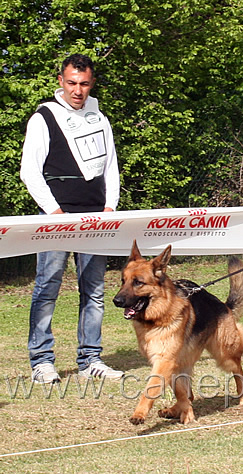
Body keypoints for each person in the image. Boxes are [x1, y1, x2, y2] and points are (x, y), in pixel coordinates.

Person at [20, 54, 124, 383]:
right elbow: (29, 172)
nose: (77, 90)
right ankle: (42, 360)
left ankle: (90, 359)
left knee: (93, 289)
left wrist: (110, 208)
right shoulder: (43, 117)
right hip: (56, 217)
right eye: (71, 83)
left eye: (84, 84)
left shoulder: (100, 118)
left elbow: (111, 168)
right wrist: (55, 214)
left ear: (91, 84)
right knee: (47, 287)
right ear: (61, 81)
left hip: (95, 217)